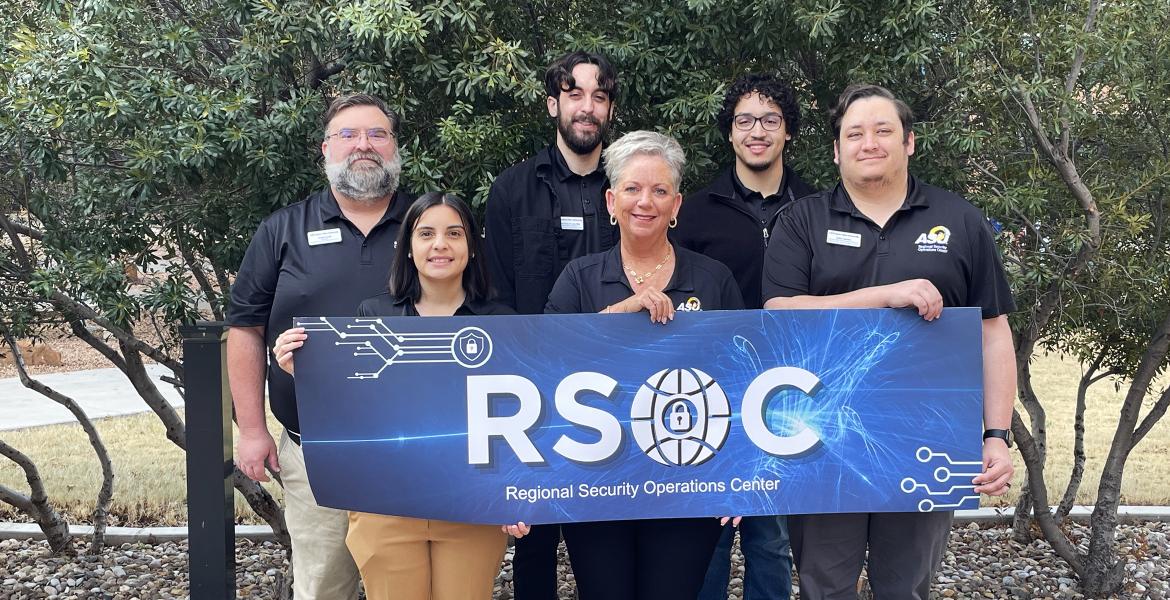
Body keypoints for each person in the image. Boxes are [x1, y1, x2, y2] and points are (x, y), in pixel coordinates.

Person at [762, 84, 1016, 599]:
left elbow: (992, 332)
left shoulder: (959, 220)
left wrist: (996, 435)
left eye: (883, 131)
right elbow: (780, 313)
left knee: (907, 588)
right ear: (836, 150)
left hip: (924, 440)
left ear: (909, 143)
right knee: (823, 586)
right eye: (854, 133)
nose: (869, 143)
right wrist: (885, 295)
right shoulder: (802, 221)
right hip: (822, 438)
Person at [271, 193, 531, 600]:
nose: (440, 244)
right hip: (385, 504)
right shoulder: (372, 316)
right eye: (426, 233)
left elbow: (520, 416)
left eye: (454, 233)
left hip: (472, 504)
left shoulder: (501, 324)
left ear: (471, 247)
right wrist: (306, 373)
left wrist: (518, 493)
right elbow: (351, 409)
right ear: (408, 247)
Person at [226, 93, 414, 599]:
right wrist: (250, 429)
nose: (363, 146)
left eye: (377, 134)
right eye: (348, 135)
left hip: (415, 448)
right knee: (324, 588)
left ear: (395, 147)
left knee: (408, 588)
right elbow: (245, 329)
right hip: (315, 453)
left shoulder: (431, 225)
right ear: (325, 149)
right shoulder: (283, 230)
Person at [545, 130, 744, 600]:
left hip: (688, 478)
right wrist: (620, 314)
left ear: (676, 206)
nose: (645, 202)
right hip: (597, 481)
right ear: (611, 200)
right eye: (632, 189)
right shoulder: (579, 278)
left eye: (659, 191)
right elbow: (547, 364)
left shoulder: (714, 280)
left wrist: (740, 474)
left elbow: (743, 376)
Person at [483, 49, 620, 599]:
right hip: (532, 393)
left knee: (605, 539)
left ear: (609, 110)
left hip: (614, 390)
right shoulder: (511, 191)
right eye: (575, 94)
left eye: (599, 96)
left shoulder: (631, 191)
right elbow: (494, 298)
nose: (587, 108)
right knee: (534, 543)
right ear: (552, 104)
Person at [675, 73, 814, 600]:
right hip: (710, 383)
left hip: (787, 388)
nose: (757, 131)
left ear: (787, 132)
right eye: (745, 120)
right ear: (730, 133)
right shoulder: (696, 209)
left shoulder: (815, 206)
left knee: (771, 535)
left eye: (771, 120)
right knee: (708, 529)